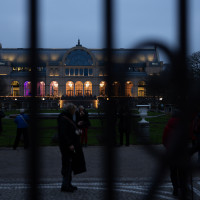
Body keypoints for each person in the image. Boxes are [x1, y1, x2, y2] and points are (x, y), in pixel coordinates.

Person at [57, 103, 86, 192]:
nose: (75, 112)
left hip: (69, 144)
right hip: (67, 146)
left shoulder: (66, 117)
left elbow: (69, 130)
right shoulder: (64, 119)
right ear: (70, 110)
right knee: (67, 165)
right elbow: (64, 133)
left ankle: (67, 184)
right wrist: (70, 144)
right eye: (74, 110)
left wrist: (78, 126)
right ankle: (65, 185)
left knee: (69, 164)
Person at [162, 110, 190, 198]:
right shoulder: (184, 126)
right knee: (182, 172)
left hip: (171, 152)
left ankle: (175, 189)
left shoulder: (168, 127)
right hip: (182, 152)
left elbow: (164, 140)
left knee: (173, 172)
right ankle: (183, 188)